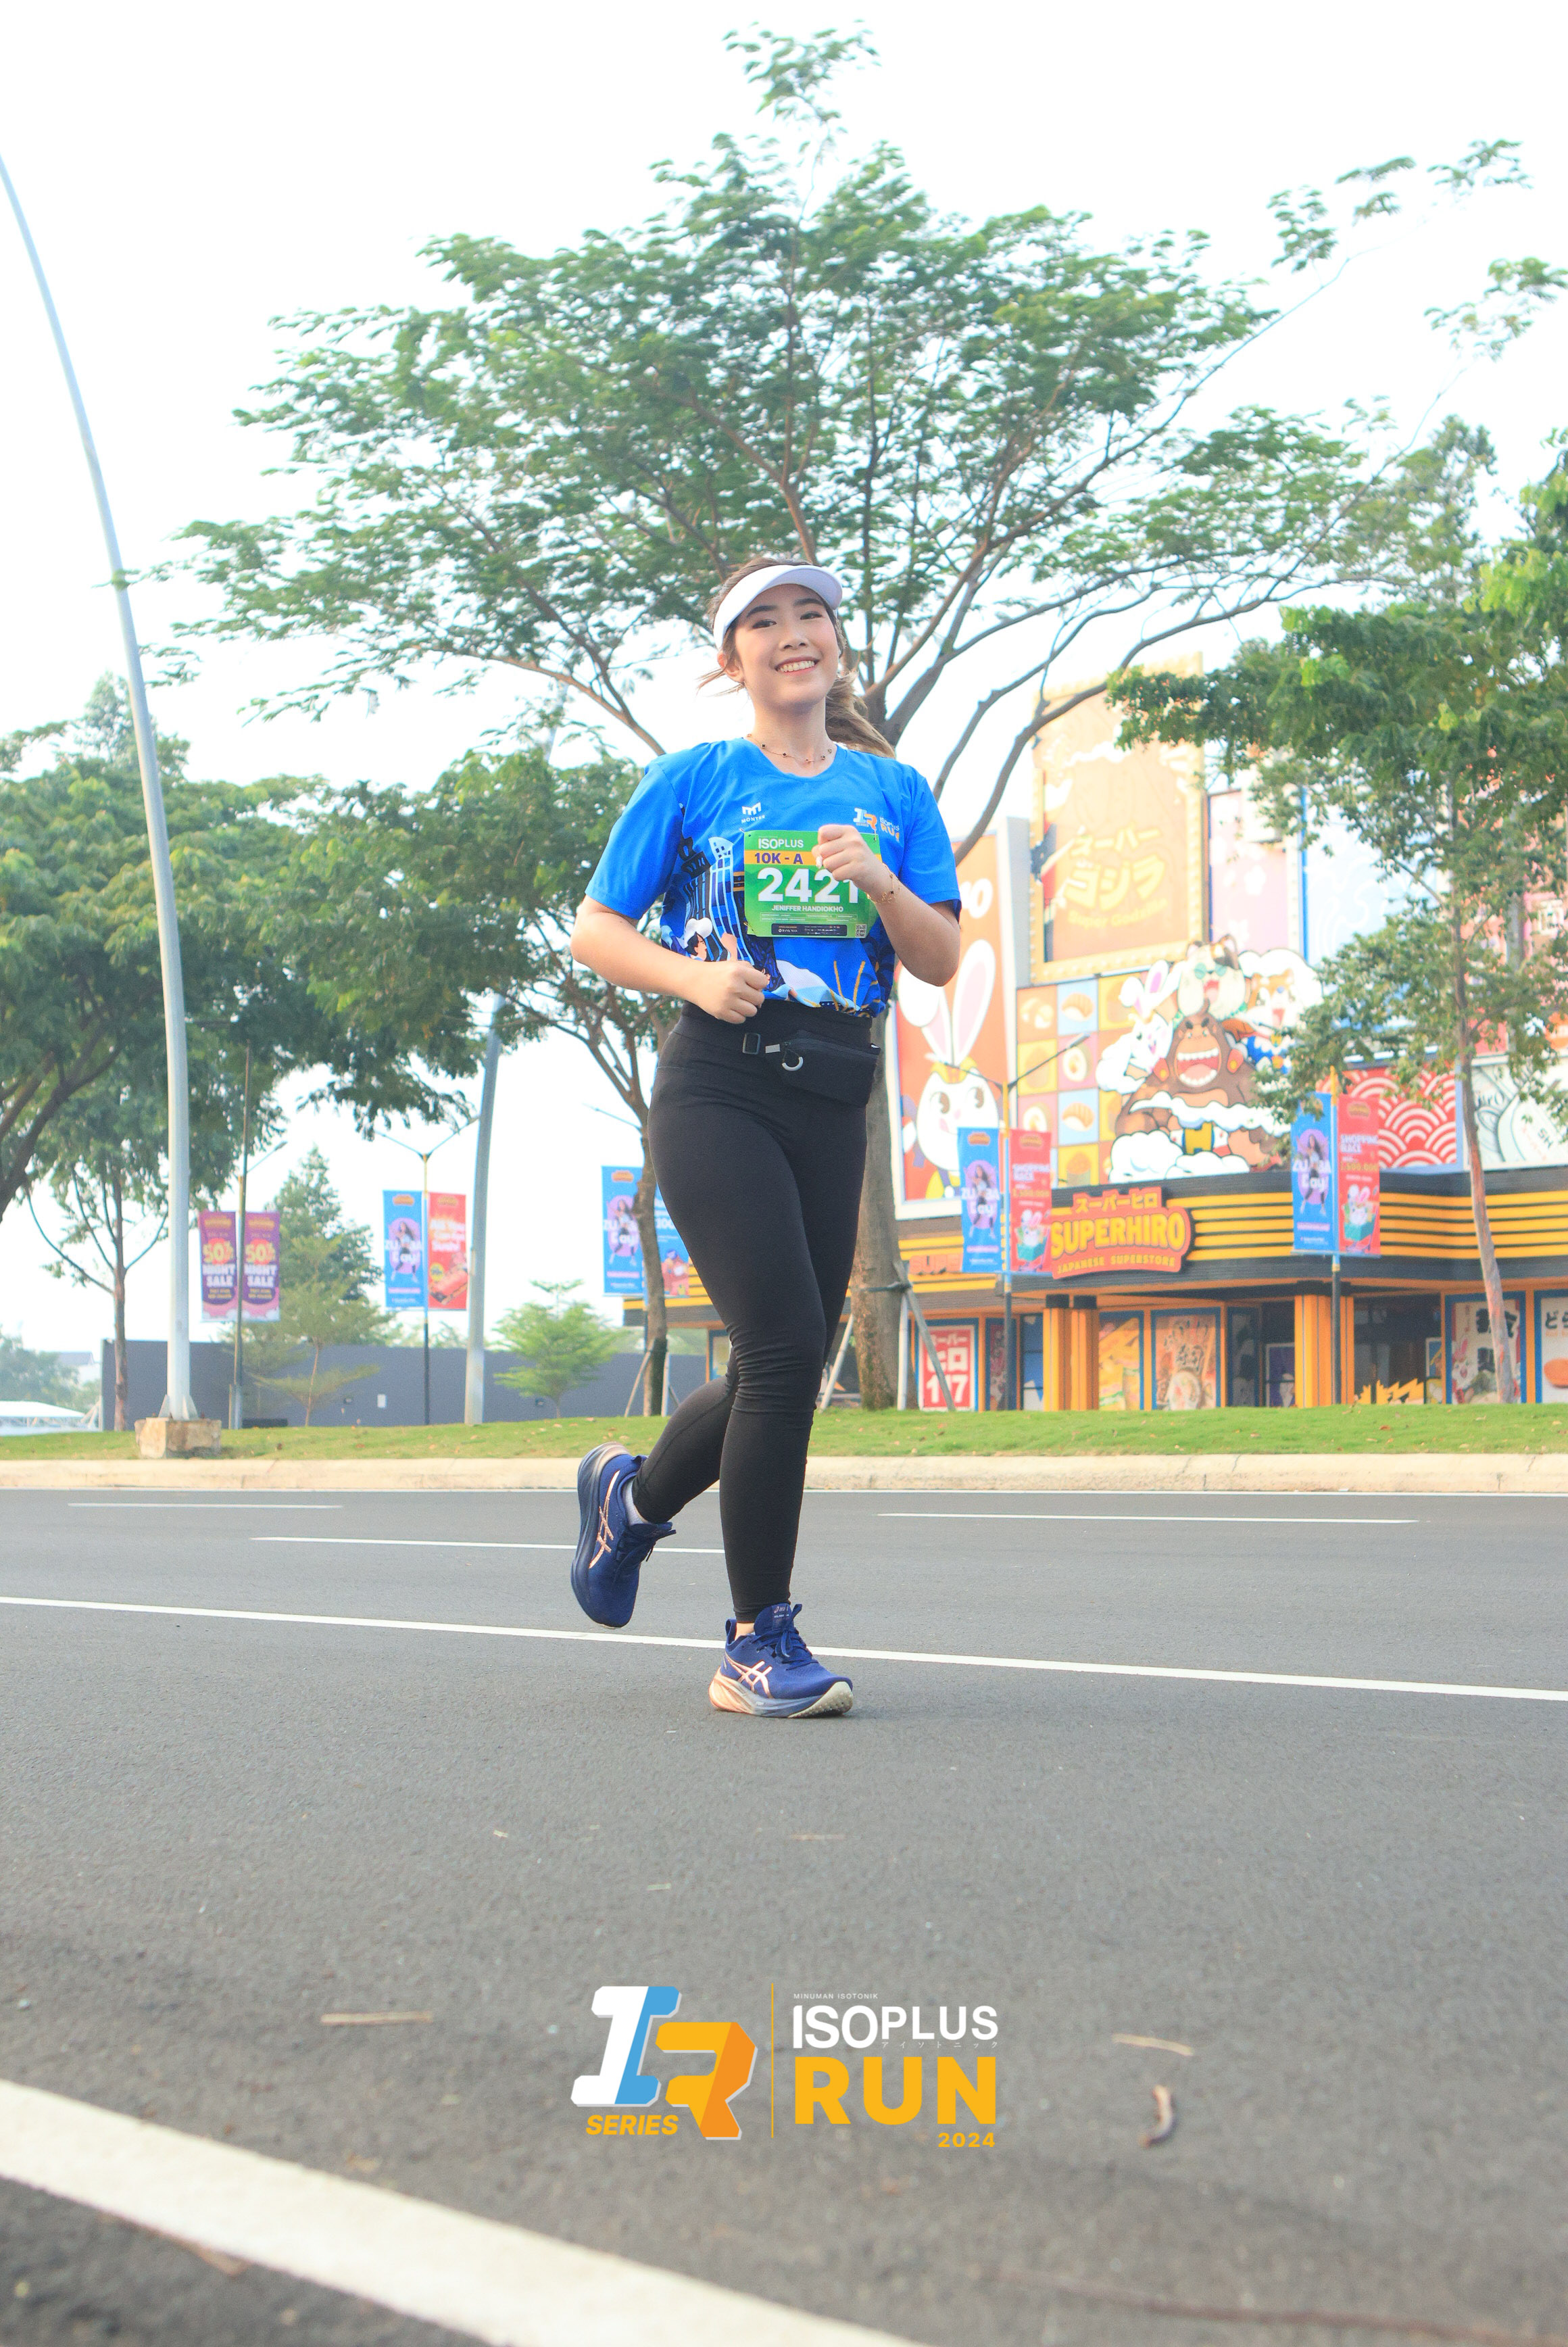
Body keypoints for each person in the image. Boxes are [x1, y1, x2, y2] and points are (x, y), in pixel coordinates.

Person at [568, 556, 961, 1717]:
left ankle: (631, 1504)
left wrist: (881, 881)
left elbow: (939, 958)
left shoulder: (895, 791)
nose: (796, 635)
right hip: (719, 1083)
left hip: (836, 1090)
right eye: (767, 622)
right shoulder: (694, 779)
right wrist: (695, 976)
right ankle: (756, 1643)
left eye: (812, 616)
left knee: (769, 1365)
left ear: (835, 644)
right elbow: (595, 930)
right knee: (788, 1353)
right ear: (732, 658)